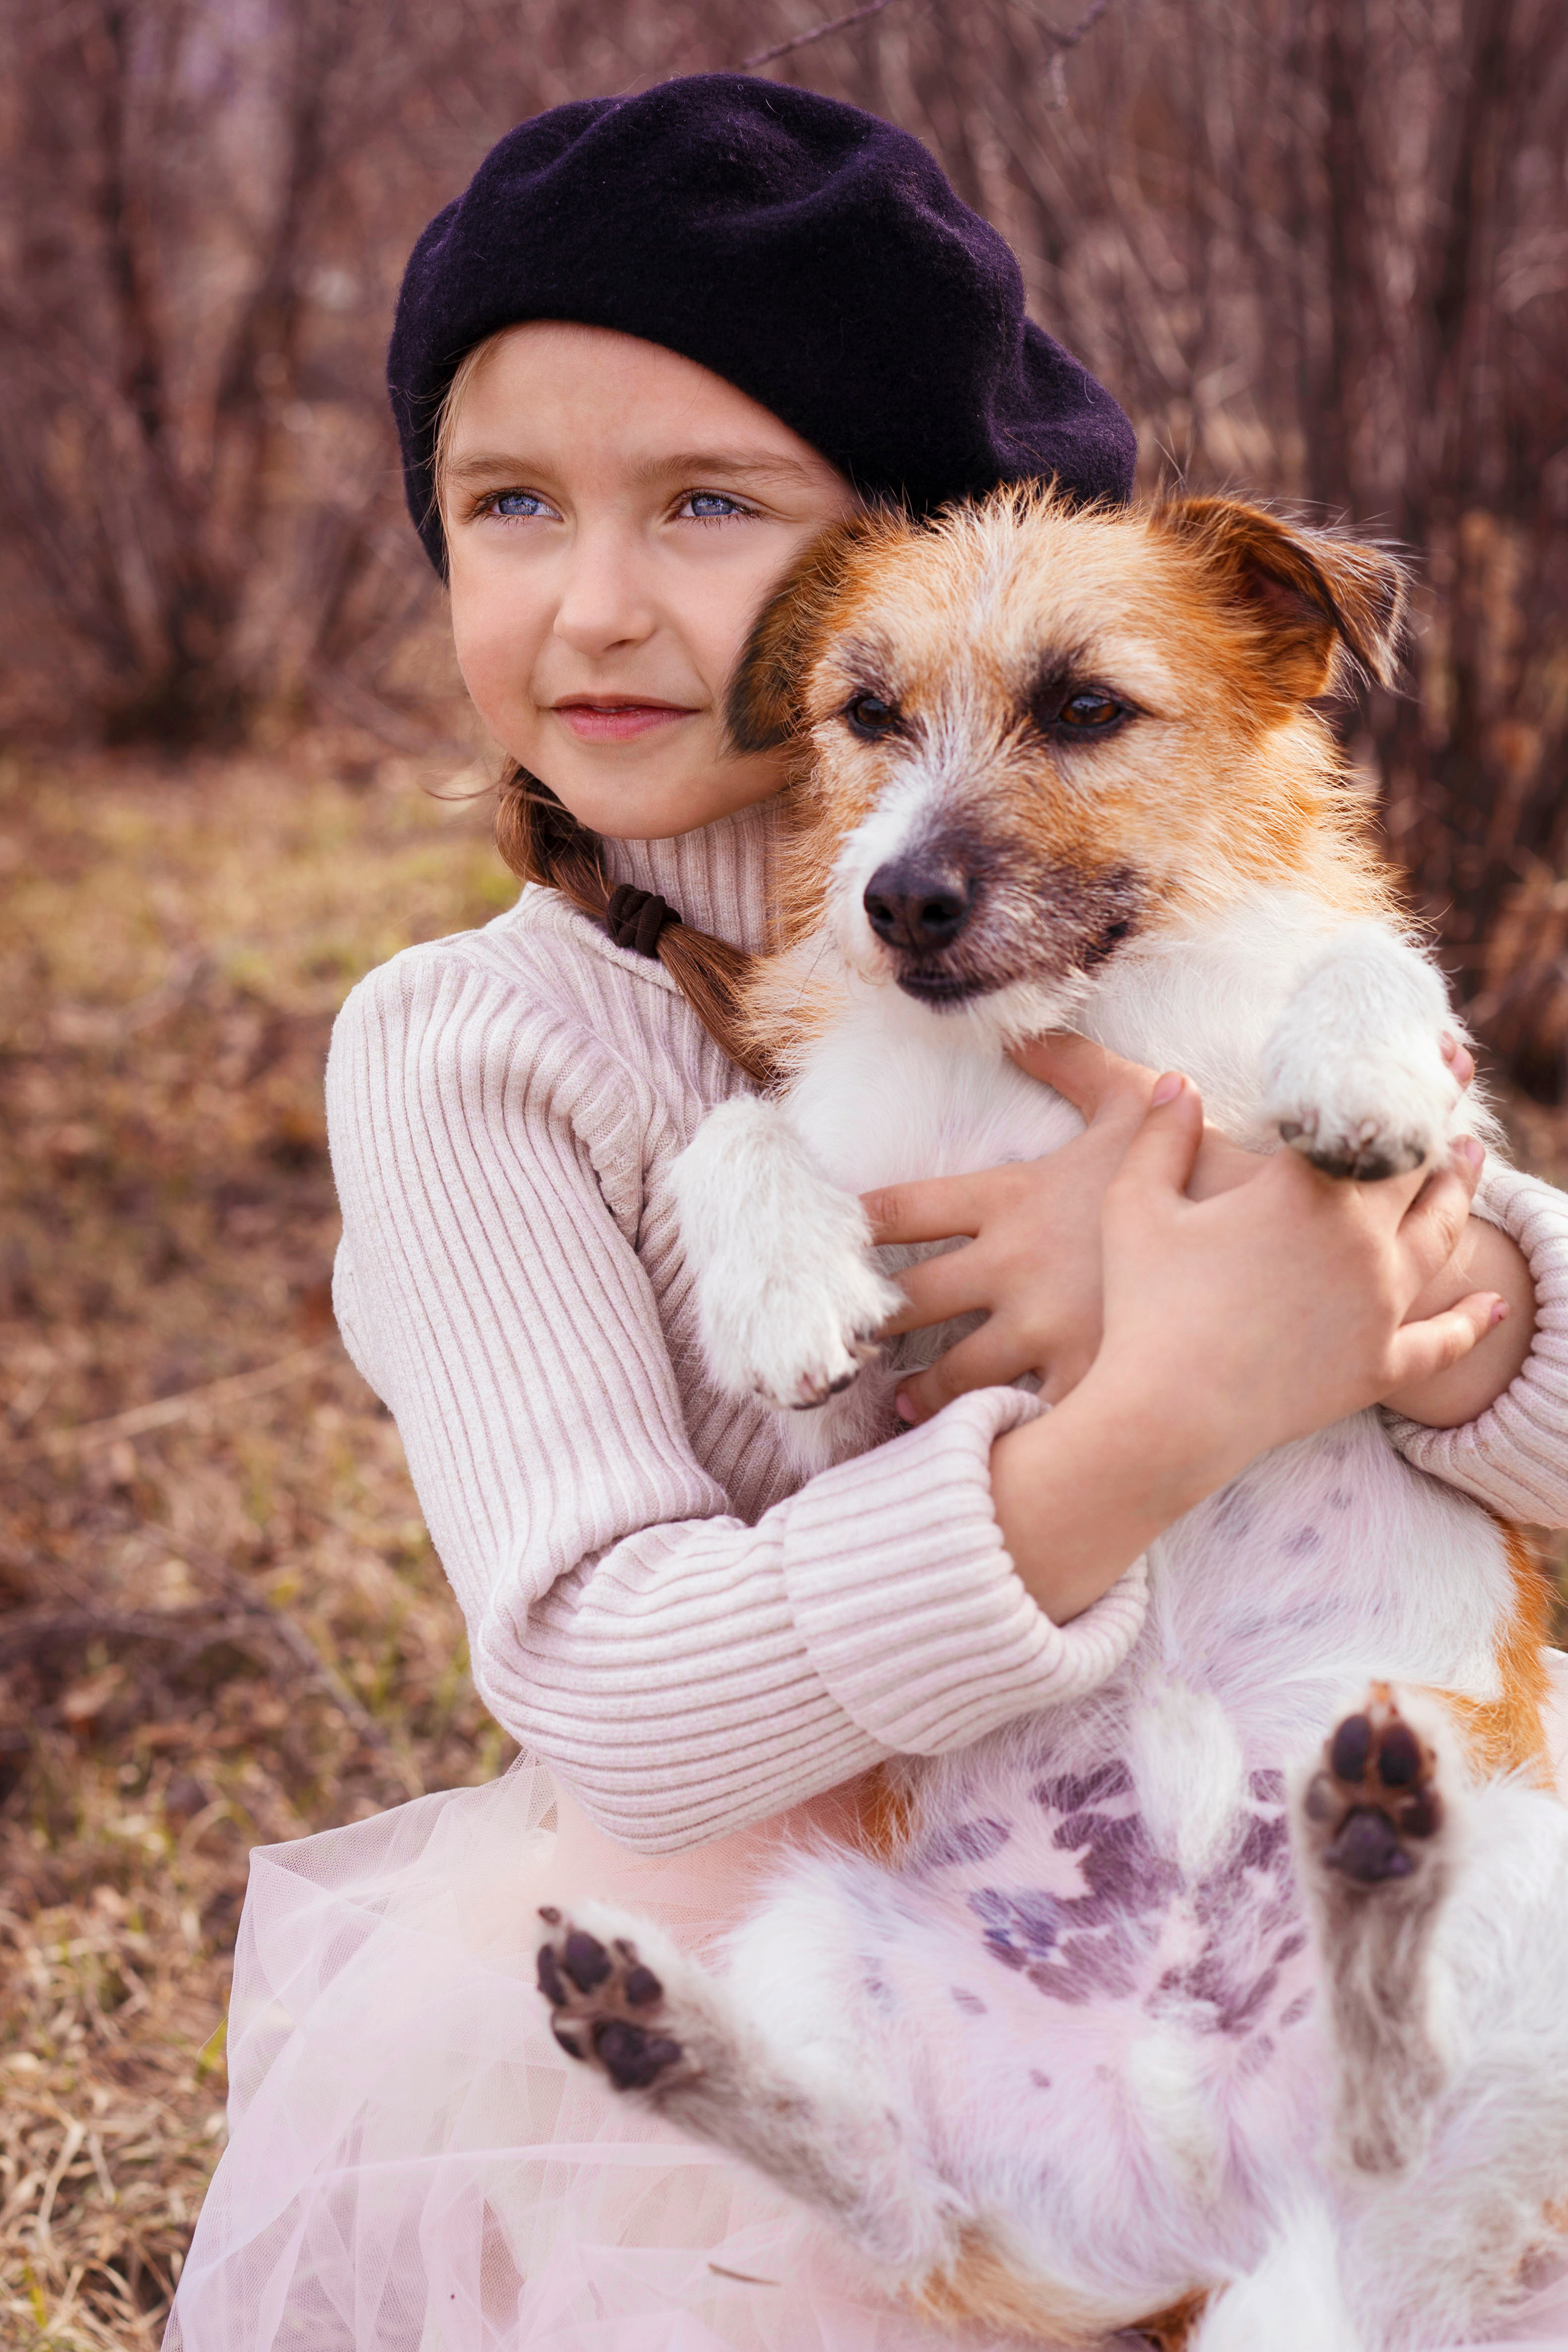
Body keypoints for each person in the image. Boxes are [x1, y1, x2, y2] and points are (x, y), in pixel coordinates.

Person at [165, 75, 1568, 2352]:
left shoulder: (1221, 964)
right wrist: (1168, 1401)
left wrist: (1418, 1302)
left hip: (1315, 1869)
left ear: (931, 538)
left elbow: (1521, 1392)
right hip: (843, 1969)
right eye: (503, 502)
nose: (600, 601)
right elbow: (616, 1692)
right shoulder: (468, 1049)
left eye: (707, 500)